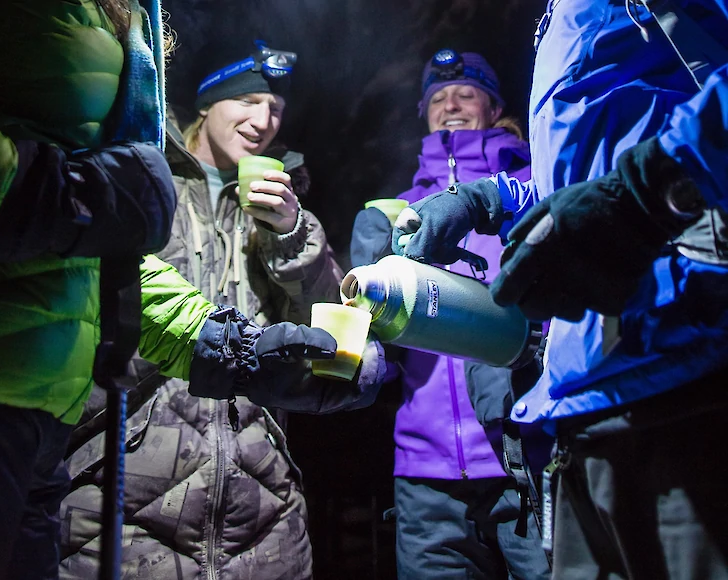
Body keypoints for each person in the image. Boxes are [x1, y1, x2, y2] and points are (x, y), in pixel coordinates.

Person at [393, 2, 728, 577]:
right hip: (579, 402)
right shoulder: (561, 20)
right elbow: (579, 175)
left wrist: (653, 192)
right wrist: (490, 199)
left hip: (687, 368)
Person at [59, 43, 386, 579]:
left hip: (261, 504)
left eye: (276, 108)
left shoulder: (287, 207)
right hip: (120, 492)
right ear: (208, 104)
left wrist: (292, 235)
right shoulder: (145, 180)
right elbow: (97, 294)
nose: (264, 120)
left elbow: (328, 318)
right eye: (248, 101)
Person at [0, 1, 180, 579]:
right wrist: (53, 196)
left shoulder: (124, 10)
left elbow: (99, 245)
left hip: (45, 417)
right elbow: (81, 202)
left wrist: (227, 344)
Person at [350, 51, 550, 579]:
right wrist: (366, 300)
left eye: (465, 93)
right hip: (425, 467)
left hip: (527, 447)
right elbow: (384, 355)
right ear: (423, 112)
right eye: (438, 98)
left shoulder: (534, 187)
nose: (452, 105)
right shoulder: (400, 210)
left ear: (494, 106)